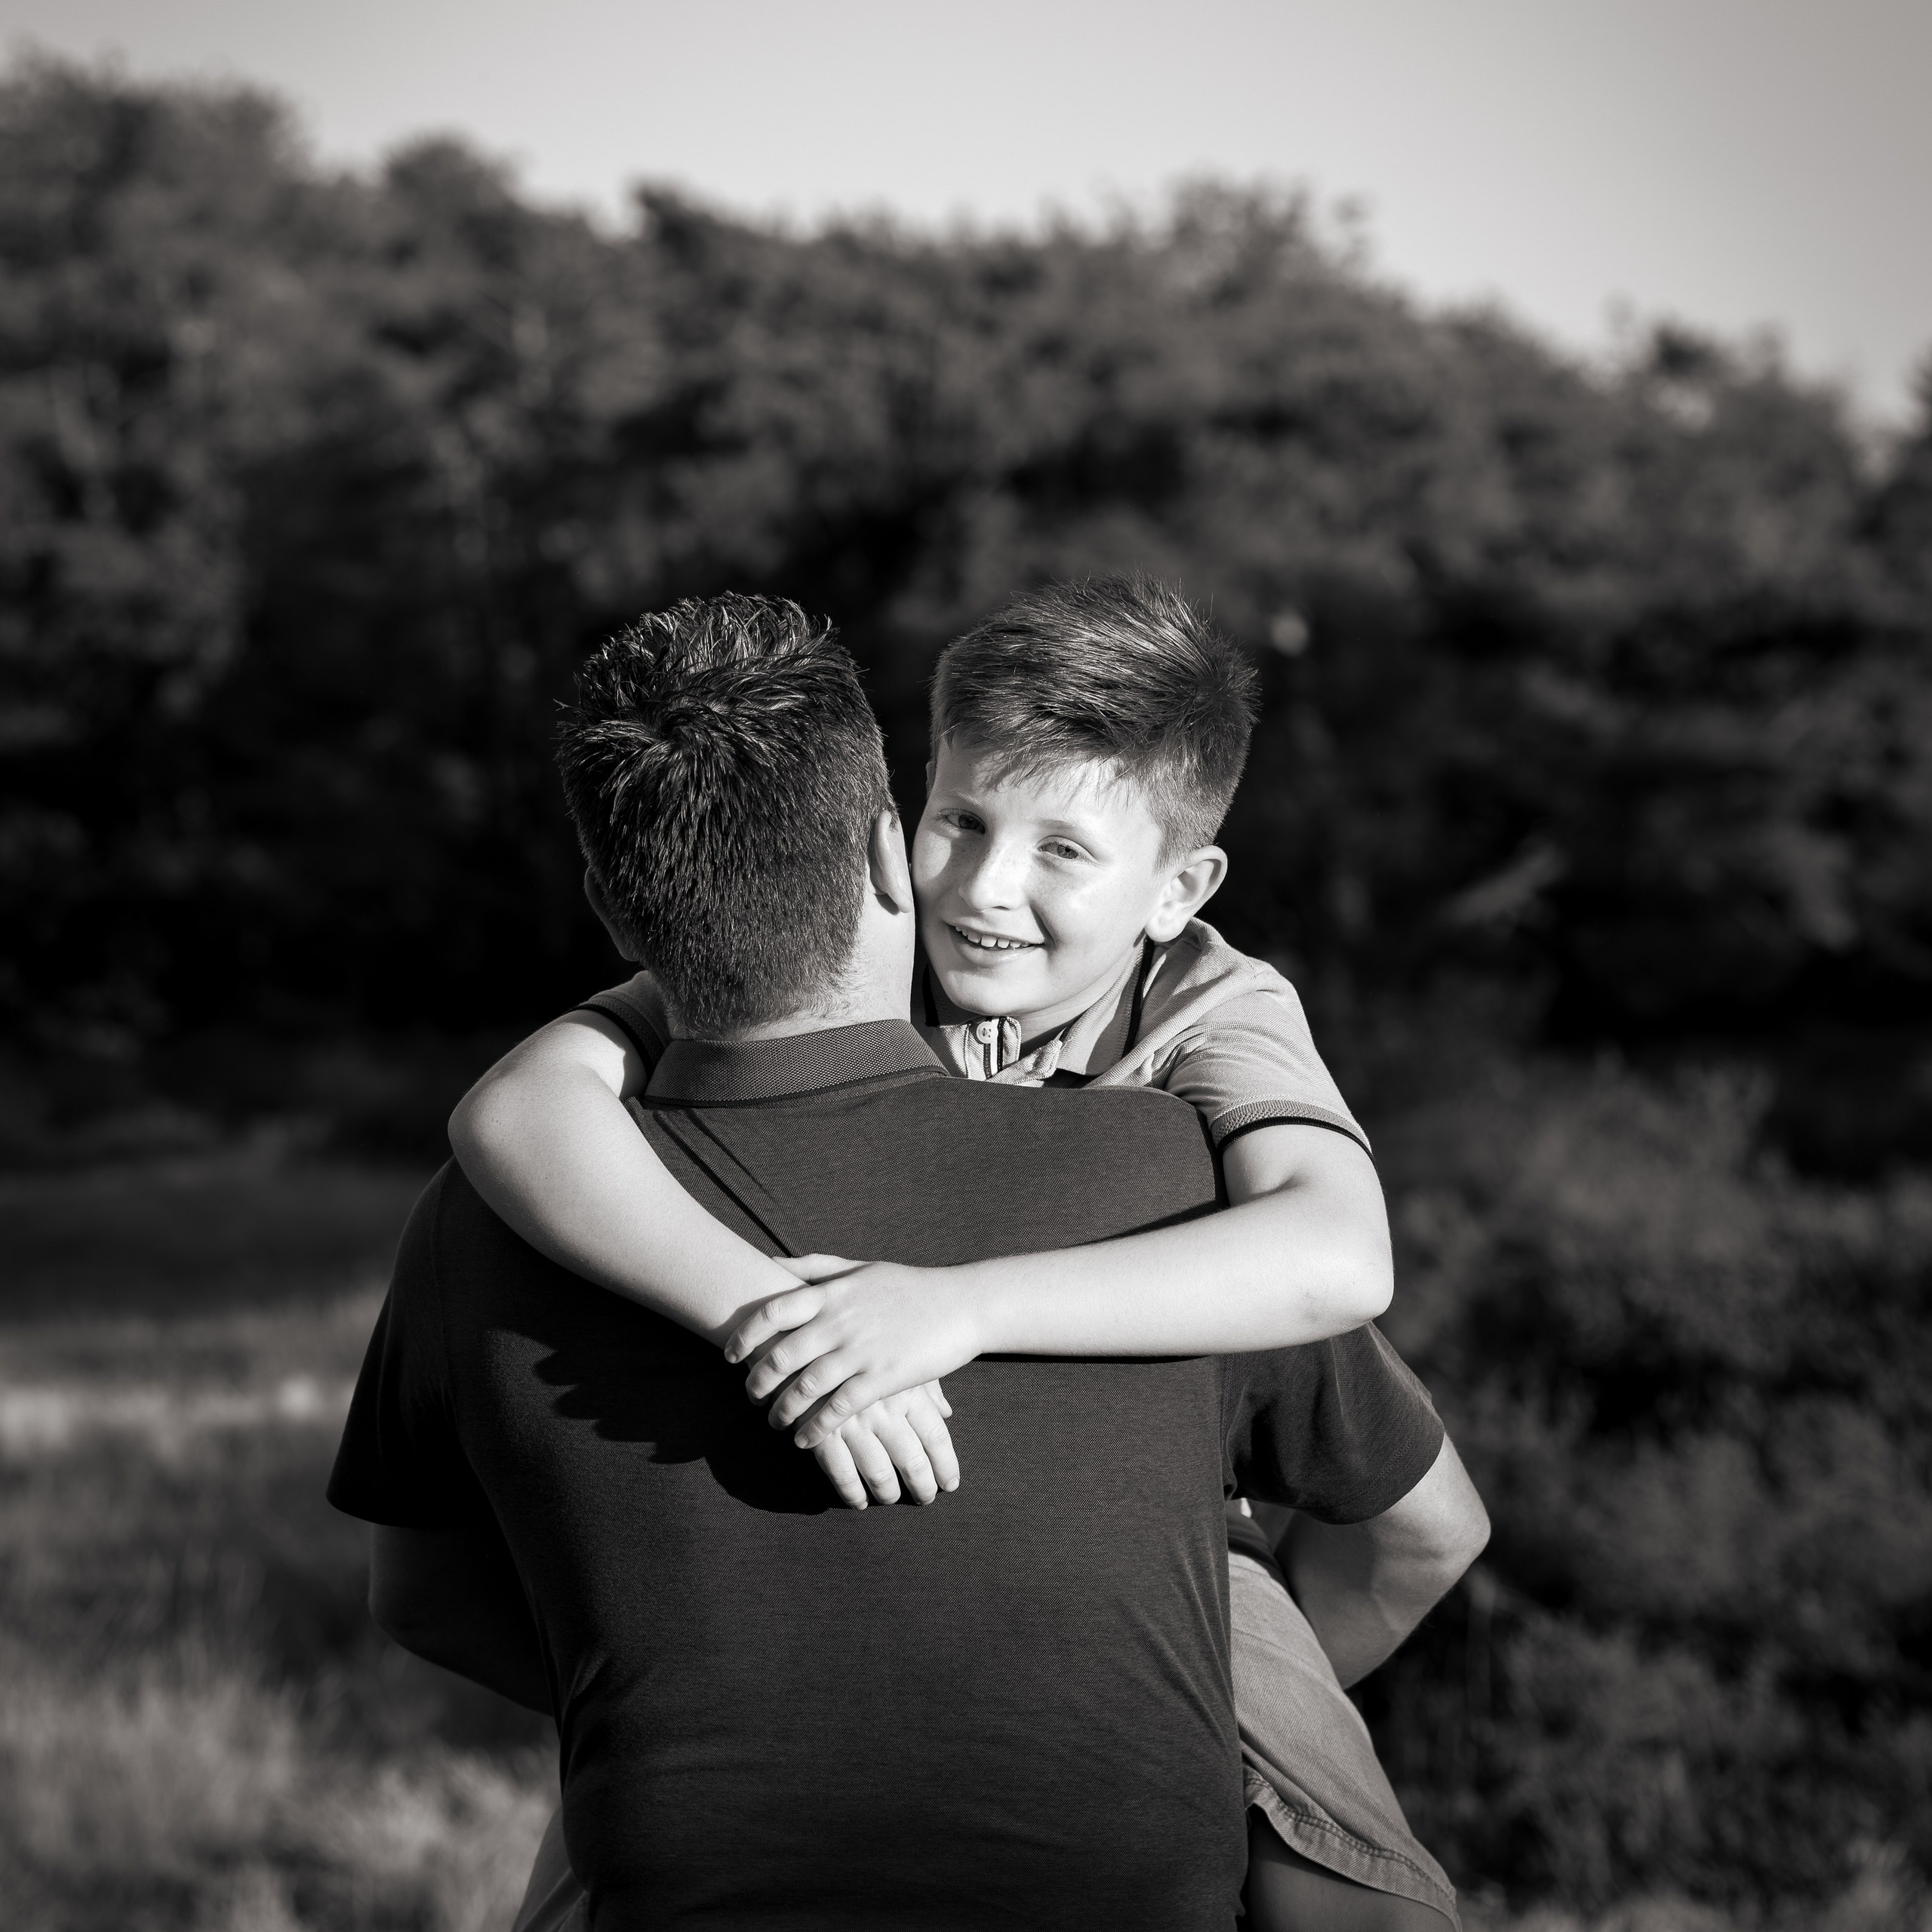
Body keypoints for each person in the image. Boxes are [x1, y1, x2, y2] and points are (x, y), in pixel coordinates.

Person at [331, 595, 1487, 1930]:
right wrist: (759, 1306)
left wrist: (957, 1308)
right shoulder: (826, 940)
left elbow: (1338, 1254)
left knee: (1341, 1860)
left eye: (1066, 848)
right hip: (845, 1497)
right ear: (896, 834)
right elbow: (513, 1113)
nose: (989, 890)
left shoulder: (1213, 1011)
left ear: (1180, 889)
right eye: (964, 823)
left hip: (1179, 1540)